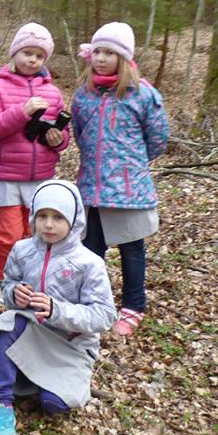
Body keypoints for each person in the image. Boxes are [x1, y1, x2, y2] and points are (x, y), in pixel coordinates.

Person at [0, 180, 115, 435]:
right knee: (8, 321)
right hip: (31, 333)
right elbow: (8, 285)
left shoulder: (89, 263)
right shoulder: (22, 250)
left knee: (54, 404)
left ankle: (36, 377)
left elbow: (104, 315)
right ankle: (0, 403)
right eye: (42, 216)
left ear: (73, 220)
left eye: (58, 217)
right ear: (33, 216)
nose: (48, 225)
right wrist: (14, 294)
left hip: (70, 345)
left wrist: (57, 310)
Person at [71, 22, 169, 337]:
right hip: (92, 186)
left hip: (129, 189)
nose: (101, 58)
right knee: (91, 249)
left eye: (109, 53)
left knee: (131, 250)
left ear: (123, 58)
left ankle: (133, 305)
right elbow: (80, 135)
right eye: (97, 51)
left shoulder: (142, 94)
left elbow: (158, 139)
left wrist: (131, 165)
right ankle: (93, 301)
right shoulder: (83, 95)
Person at [0, 23, 70, 304]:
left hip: (41, 177)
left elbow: (63, 136)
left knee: (35, 234)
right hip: (7, 175)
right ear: (15, 53)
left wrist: (58, 140)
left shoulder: (53, 93)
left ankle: (27, 280)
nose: (32, 60)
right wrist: (22, 111)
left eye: (39, 56)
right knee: (10, 235)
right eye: (27, 53)